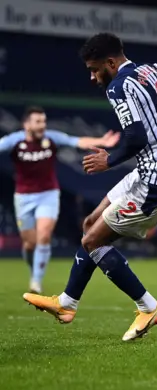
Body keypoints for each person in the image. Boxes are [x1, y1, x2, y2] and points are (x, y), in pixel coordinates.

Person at [22, 32, 157, 341]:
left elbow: (135, 136)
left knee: (93, 241)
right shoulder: (155, 70)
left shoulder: (119, 86)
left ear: (111, 62)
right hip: (150, 172)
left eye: (96, 70)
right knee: (91, 223)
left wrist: (110, 160)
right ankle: (67, 304)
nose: (94, 78)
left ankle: (148, 307)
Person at [0, 106, 119, 293]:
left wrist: (101, 141)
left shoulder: (51, 138)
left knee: (45, 235)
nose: (42, 125)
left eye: (44, 121)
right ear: (27, 125)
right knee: (30, 244)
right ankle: (34, 269)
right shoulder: (15, 141)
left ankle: (36, 282)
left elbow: (77, 141)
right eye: (38, 122)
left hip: (48, 194)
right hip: (23, 197)